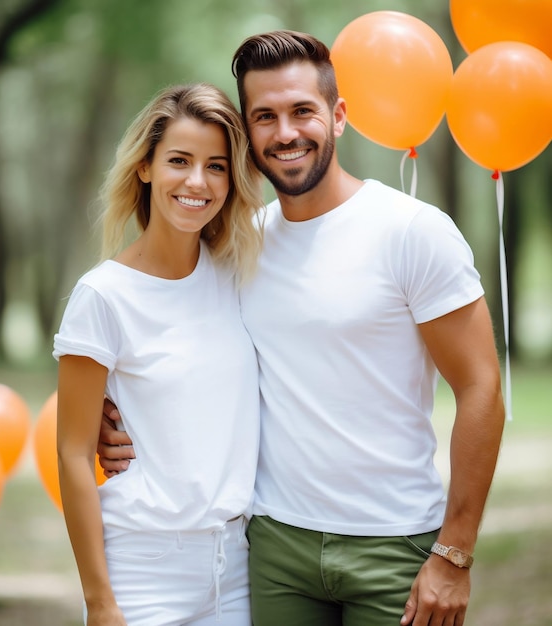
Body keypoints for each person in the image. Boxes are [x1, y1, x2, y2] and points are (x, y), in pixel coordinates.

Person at [98, 31, 505, 626]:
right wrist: (111, 413)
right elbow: (167, 335)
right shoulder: (240, 245)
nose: (284, 133)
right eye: (264, 116)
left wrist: (455, 553)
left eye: (301, 112)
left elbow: (481, 388)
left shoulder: (412, 232)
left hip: (394, 546)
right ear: (247, 129)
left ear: (338, 117)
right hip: (273, 550)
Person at [53, 82, 264, 626]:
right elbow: (74, 456)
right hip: (141, 573)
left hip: (235, 566)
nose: (198, 181)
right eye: (179, 160)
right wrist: (101, 603)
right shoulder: (103, 297)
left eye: (217, 166)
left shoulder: (240, 274)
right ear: (145, 167)